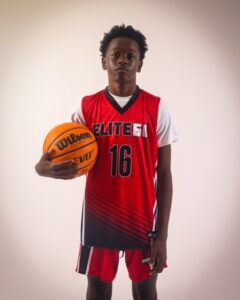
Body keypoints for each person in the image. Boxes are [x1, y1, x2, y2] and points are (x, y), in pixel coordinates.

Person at [35, 24, 178, 300]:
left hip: (143, 220)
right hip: (98, 219)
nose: (123, 60)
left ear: (140, 63)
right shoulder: (86, 107)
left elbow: (166, 174)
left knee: (146, 291)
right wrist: (42, 168)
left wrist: (162, 235)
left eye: (130, 56)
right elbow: (52, 156)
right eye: (116, 55)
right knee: (98, 290)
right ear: (104, 61)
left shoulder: (157, 107)